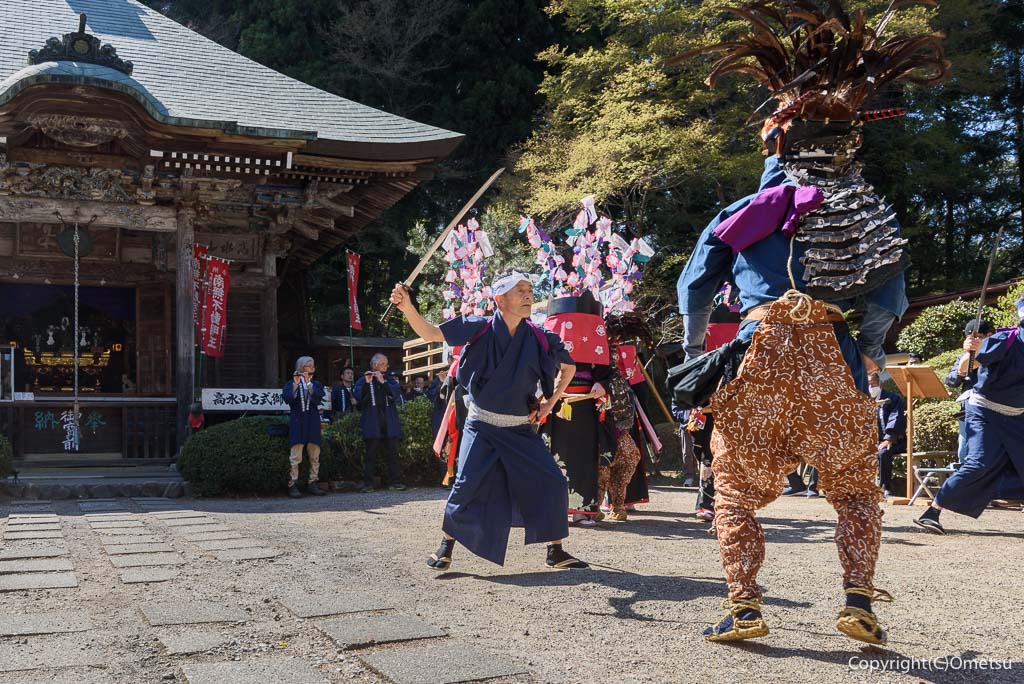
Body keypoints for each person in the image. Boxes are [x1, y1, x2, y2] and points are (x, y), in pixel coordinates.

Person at [671, 3, 946, 642]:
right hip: (831, 353)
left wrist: (696, 353)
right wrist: (871, 351)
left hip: (760, 350)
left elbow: (694, 287)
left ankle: (744, 606)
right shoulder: (866, 210)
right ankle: (859, 602)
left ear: (777, 144)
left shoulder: (743, 210)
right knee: (854, 490)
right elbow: (888, 298)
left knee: (735, 489)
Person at [389, 272, 588, 570]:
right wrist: (407, 308)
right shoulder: (478, 327)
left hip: (520, 428)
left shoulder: (539, 335)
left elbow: (568, 367)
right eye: (520, 290)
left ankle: (556, 550)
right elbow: (431, 334)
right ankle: (446, 545)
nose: (528, 295)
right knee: (466, 486)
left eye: (530, 290)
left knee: (553, 482)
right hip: (481, 425)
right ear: (499, 299)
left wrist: (549, 403)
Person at [915, 301, 1024, 535]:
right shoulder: (1005, 340)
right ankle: (932, 512)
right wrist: (969, 352)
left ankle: (995, 493)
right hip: (985, 411)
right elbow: (964, 370)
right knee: (979, 463)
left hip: (1017, 417)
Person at [544, 292, 609, 525]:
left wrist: (602, 383)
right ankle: (556, 507)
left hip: (585, 404)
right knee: (555, 454)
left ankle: (584, 508)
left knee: (584, 455)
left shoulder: (597, 345)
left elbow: (605, 370)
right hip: (556, 404)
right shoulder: (550, 344)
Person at [354, 353, 406, 493]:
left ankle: (395, 482)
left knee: (393, 454)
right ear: (375, 365)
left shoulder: (390, 379)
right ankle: (368, 484)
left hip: (389, 421)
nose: (386, 366)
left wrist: (383, 382)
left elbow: (396, 395)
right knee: (370, 455)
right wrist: (367, 382)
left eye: (386, 364)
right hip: (373, 422)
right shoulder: (364, 379)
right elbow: (358, 397)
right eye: (383, 364)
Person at [945, 320, 995, 462]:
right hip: (967, 410)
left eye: (978, 337)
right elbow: (951, 380)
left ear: (989, 336)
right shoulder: (962, 357)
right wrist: (962, 370)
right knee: (964, 451)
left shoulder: (998, 355)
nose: (974, 341)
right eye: (970, 338)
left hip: (992, 409)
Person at [282, 356, 327, 498]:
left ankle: (312, 482)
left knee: (315, 454)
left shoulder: (316, 384)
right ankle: (292, 484)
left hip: (313, 421)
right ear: (301, 368)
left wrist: (308, 384)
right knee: (295, 455)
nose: (312, 368)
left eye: (313, 365)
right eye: (309, 366)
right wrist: (296, 384)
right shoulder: (291, 383)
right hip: (297, 421)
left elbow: (318, 396)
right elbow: (288, 398)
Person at [869, 373, 906, 498]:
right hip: (871, 441)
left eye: (872, 384)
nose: (870, 387)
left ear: (880, 383)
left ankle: (885, 486)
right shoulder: (864, 398)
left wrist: (889, 438)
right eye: (867, 384)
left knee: (883, 453)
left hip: (893, 440)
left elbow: (896, 418)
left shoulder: (892, 398)